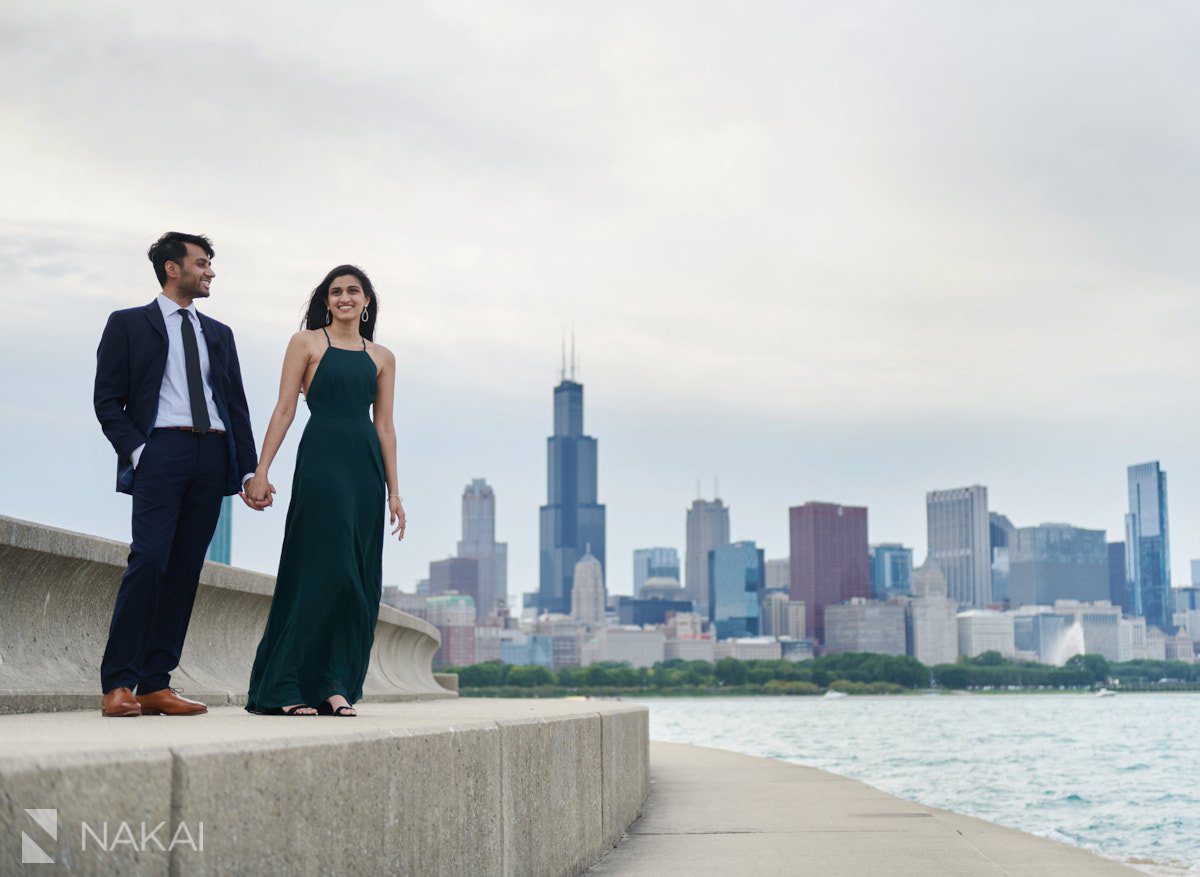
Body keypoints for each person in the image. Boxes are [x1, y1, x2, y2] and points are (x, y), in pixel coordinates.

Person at [93, 232, 265, 718]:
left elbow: (235, 406)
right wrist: (140, 452)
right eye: (202, 263)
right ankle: (118, 683)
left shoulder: (219, 333)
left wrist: (249, 469)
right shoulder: (128, 324)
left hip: (212, 454)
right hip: (160, 451)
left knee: (187, 570)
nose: (210, 272)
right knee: (148, 560)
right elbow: (108, 401)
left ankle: (155, 684)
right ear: (173, 268)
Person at [244, 265, 406, 717]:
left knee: (356, 581)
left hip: (365, 471)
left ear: (367, 301)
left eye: (353, 291)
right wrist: (261, 471)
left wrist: (394, 492)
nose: (344, 298)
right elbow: (284, 408)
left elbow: (386, 426)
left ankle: (335, 684)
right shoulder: (307, 343)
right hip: (321, 463)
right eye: (336, 292)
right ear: (327, 300)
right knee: (323, 572)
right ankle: (286, 685)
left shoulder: (383, 357)